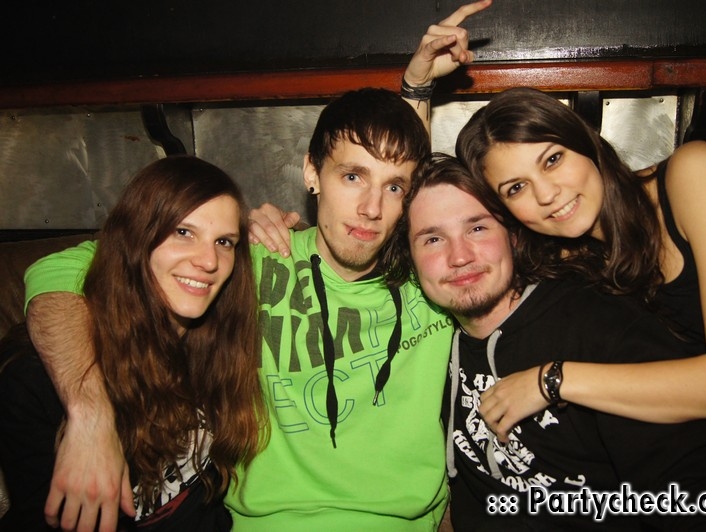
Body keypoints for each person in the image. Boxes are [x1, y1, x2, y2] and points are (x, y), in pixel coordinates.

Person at [21, 5, 490, 531]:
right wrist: (90, 413)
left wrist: (417, 88)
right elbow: (58, 271)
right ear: (311, 173)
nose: (371, 208)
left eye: (393, 189)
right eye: (351, 177)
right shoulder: (243, 258)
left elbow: (427, 186)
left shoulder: (436, 275)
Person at [451, 87, 706, 489]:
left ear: (586, 143)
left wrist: (552, 381)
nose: (546, 195)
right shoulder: (568, 260)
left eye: (553, 159)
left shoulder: (695, 174)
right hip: (702, 473)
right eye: (516, 188)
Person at [381, 153, 706, 530]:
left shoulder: (600, 328)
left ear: (512, 235)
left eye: (477, 228)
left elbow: (698, 490)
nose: (459, 257)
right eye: (432, 239)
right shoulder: (428, 349)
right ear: (410, 259)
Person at [0, 156, 267, 531]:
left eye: (224, 241)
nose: (209, 261)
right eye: (183, 232)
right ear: (137, 239)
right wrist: (91, 416)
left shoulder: (215, 346)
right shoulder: (39, 377)